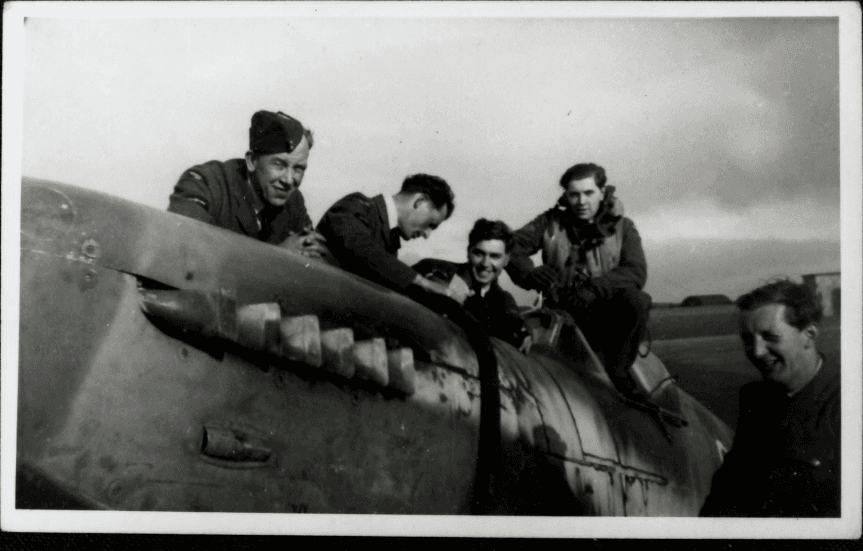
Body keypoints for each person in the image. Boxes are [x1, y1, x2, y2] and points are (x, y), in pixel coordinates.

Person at [506, 162, 650, 398]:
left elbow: (636, 271)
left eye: (588, 193)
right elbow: (510, 246)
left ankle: (619, 371)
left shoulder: (624, 227)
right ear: (566, 195)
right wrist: (530, 273)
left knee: (637, 299)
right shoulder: (549, 222)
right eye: (574, 194)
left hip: (607, 316)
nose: (581, 202)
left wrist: (595, 289)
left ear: (602, 192)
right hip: (562, 315)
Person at [700, 280, 840, 517]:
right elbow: (728, 490)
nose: (757, 351)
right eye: (747, 339)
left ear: (809, 335)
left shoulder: (846, 403)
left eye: (771, 337)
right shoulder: (756, 399)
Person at [167, 110, 328, 258]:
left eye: (298, 169)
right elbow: (181, 249)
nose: (288, 180)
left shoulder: (294, 202)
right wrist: (277, 256)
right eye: (279, 164)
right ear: (252, 161)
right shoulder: (205, 182)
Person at [316, 174, 469, 303]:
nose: (427, 235)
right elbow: (361, 249)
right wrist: (423, 283)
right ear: (420, 202)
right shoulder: (356, 206)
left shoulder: (391, 242)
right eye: (431, 224)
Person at [413, 219, 532, 352]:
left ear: (506, 260)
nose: (485, 263)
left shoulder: (504, 302)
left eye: (495, 256)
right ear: (468, 251)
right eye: (479, 253)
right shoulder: (430, 269)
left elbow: (518, 326)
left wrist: (525, 334)